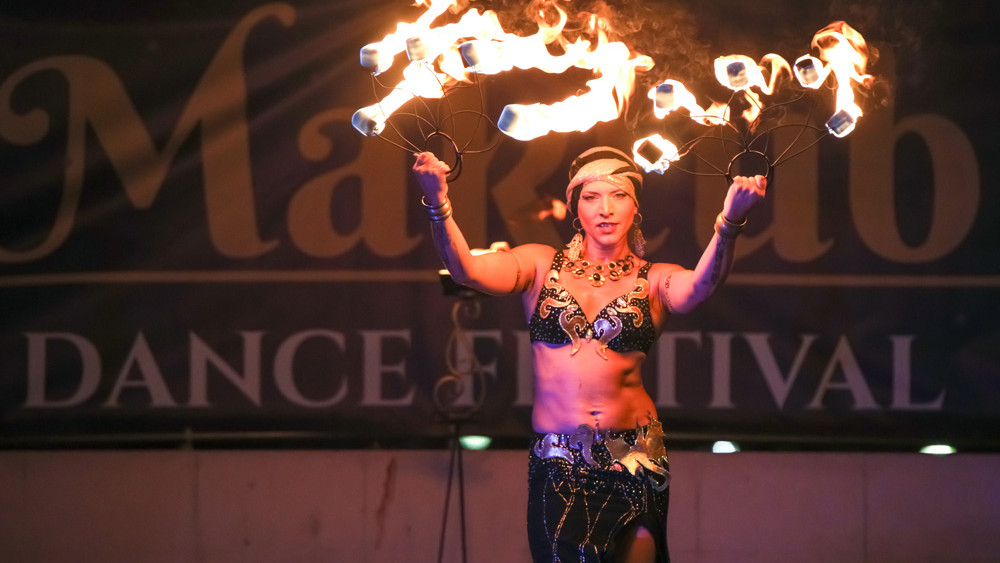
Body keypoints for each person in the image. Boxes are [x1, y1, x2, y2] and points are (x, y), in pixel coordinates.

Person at [412, 146, 766, 563]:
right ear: (575, 207)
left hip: (637, 462)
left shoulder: (654, 279)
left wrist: (729, 223)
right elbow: (466, 269)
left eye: (618, 196)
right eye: (592, 197)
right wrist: (437, 201)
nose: (605, 209)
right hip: (560, 467)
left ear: (636, 207)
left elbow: (699, 288)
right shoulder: (540, 266)